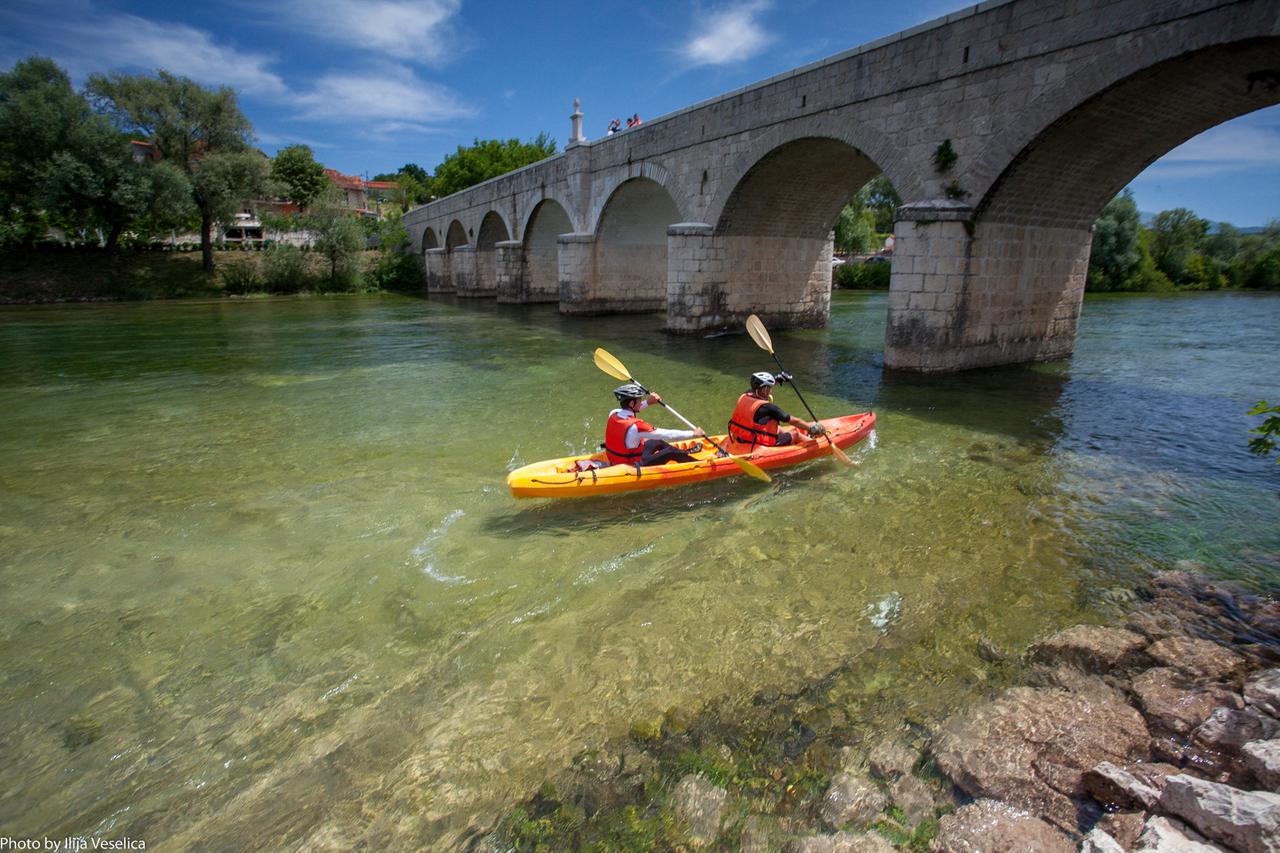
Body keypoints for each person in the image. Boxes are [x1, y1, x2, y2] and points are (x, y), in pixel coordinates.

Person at [605, 383, 705, 467]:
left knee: (656, 441)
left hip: (618, 459)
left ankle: (685, 453)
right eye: (639, 400)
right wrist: (693, 434)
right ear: (631, 403)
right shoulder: (637, 427)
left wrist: (648, 402)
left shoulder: (614, 413)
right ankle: (701, 465)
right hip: (632, 466)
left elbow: (633, 410)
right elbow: (667, 434)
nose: (640, 402)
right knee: (669, 451)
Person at [727, 372, 821, 449]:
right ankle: (818, 445)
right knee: (796, 434)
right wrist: (811, 428)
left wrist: (777, 379)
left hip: (741, 436)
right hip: (758, 441)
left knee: (779, 429)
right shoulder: (768, 407)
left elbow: (755, 389)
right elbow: (795, 421)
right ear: (764, 390)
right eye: (770, 388)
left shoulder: (744, 396)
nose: (771, 391)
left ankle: (796, 441)